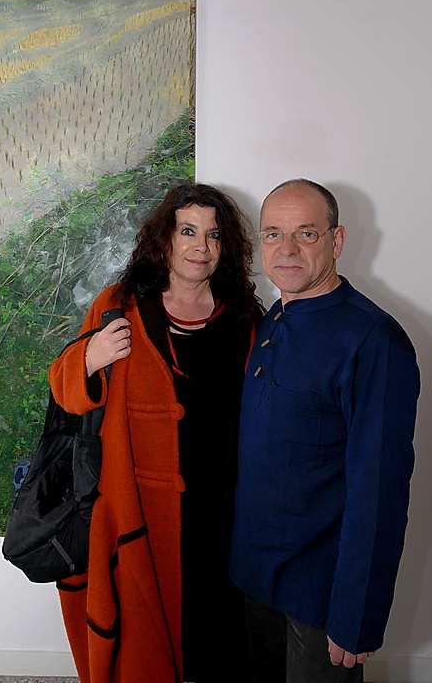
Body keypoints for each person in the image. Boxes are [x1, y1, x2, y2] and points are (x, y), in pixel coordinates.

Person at [48, 183, 264, 683]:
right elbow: (64, 390)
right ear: (164, 238)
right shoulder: (118, 305)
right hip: (140, 510)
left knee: (220, 643)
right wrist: (90, 357)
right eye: (187, 231)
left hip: (225, 511)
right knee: (143, 645)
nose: (200, 246)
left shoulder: (244, 316)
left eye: (213, 235)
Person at [230, 179, 420, 683]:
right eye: (273, 234)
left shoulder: (373, 341)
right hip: (255, 572)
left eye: (306, 233)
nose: (287, 249)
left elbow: (379, 492)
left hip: (319, 590)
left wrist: (357, 616)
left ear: (337, 240)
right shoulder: (275, 316)